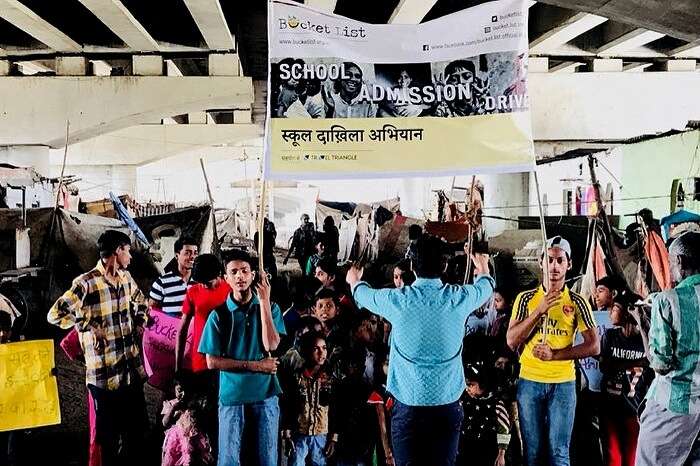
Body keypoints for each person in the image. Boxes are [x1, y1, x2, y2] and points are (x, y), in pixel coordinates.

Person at [347, 234, 495, 466]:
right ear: (444, 265)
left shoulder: (397, 300)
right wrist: (483, 265)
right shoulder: (458, 298)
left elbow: (362, 294)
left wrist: (355, 280)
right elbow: (486, 287)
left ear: (413, 267)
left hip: (408, 409)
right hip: (447, 407)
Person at [47, 230, 150, 466]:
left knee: (136, 435)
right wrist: (87, 325)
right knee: (108, 441)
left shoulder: (126, 279)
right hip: (104, 378)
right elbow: (55, 314)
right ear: (117, 252)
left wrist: (140, 322)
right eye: (128, 251)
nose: (131, 257)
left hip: (131, 373)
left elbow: (142, 302)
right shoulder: (86, 282)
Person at [506, 236, 599, 466]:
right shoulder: (525, 299)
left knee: (559, 453)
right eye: (549, 260)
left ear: (569, 264)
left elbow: (594, 345)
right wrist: (538, 311)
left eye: (559, 260)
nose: (554, 266)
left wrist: (555, 355)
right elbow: (511, 340)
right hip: (529, 382)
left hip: (563, 384)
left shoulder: (577, 302)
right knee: (533, 453)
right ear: (541, 262)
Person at [198, 249, 286, 466]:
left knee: (267, 458)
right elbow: (212, 361)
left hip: (265, 393)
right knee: (229, 459)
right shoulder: (219, 315)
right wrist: (256, 365)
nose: (240, 276)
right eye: (234, 272)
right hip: (232, 395)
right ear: (225, 278)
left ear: (253, 275)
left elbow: (271, 345)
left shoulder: (271, 308)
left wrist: (264, 302)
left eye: (245, 271)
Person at [636, 232, 700, 466]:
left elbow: (661, 364)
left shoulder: (667, 300)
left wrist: (645, 328)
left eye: (671, 262)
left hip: (674, 405)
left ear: (680, 262)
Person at [600, 289, 653, 466]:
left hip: (634, 409)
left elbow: (653, 367)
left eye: (615, 308)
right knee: (612, 457)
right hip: (610, 406)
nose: (611, 312)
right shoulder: (610, 336)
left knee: (632, 458)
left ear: (628, 312)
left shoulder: (645, 341)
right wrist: (638, 361)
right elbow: (605, 366)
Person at [572, 275, 619, 466]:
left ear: (613, 294)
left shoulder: (623, 324)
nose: (596, 295)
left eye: (601, 291)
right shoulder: (591, 319)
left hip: (616, 394)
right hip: (592, 388)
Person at [280, 332, 338, 466]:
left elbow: (335, 409)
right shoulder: (296, 378)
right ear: (306, 351)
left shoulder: (330, 380)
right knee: (296, 462)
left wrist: (333, 438)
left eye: (324, 348)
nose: (321, 353)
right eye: (316, 349)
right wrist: (287, 434)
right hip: (299, 432)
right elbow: (289, 405)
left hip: (321, 434)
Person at [458, 365, 511, 466]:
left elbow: (504, 430)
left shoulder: (496, 404)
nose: (467, 388)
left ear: (482, 384)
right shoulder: (463, 399)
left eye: (471, 385)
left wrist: (501, 454)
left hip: (487, 450)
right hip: (464, 448)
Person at [161, 371, 215, 466]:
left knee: (192, 460)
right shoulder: (171, 404)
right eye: (180, 390)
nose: (183, 394)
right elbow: (165, 423)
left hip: (194, 439)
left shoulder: (194, 404)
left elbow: (202, 421)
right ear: (174, 389)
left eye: (186, 391)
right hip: (176, 441)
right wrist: (173, 409)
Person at [150, 236, 199, 315]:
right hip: (171, 327)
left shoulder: (202, 281)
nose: (193, 257)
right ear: (177, 255)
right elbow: (151, 312)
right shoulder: (161, 283)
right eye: (187, 253)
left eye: (195, 253)